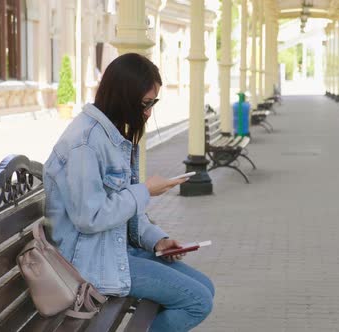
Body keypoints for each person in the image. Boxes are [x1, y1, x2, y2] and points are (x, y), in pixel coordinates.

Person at [43, 53, 214, 331]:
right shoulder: (85, 144)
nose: (148, 112)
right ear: (123, 96)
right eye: (145, 103)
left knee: (205, 288)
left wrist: (157, 240)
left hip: (112, 251)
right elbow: (91, 217)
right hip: (88, 264)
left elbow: (121, 206)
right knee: (197, 301)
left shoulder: (108, 136)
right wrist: (145, 191)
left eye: (153, 103)